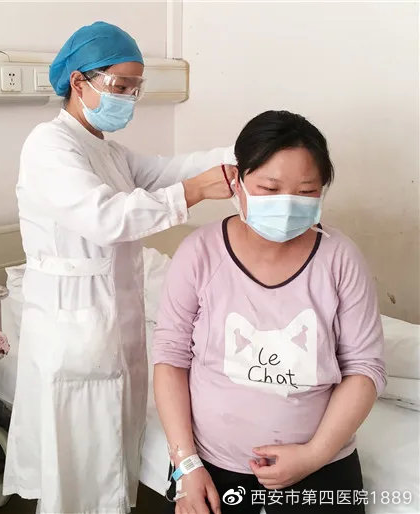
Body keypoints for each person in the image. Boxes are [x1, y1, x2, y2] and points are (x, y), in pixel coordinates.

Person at [3, 21, 237, 514]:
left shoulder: (107, 150)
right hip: (73, 328)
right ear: (79, 81)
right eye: (120, 86)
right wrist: (195, 192)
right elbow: (106, 217)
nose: (129, 98)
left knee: (108, 458)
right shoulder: (49, 145)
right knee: (79, 468)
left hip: (113, 326)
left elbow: (168, 170)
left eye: (135, 88)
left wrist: (243, 155)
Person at [153, 110, 386, 514]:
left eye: (306, 191)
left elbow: (365, 368)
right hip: (209, 464)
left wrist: (314, 454)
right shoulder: (200, 253)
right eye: (269, 188)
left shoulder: (340, 258)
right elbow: (171, 358)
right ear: (238, 183)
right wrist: (186, 465)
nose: (287, 204)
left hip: (321, 462)